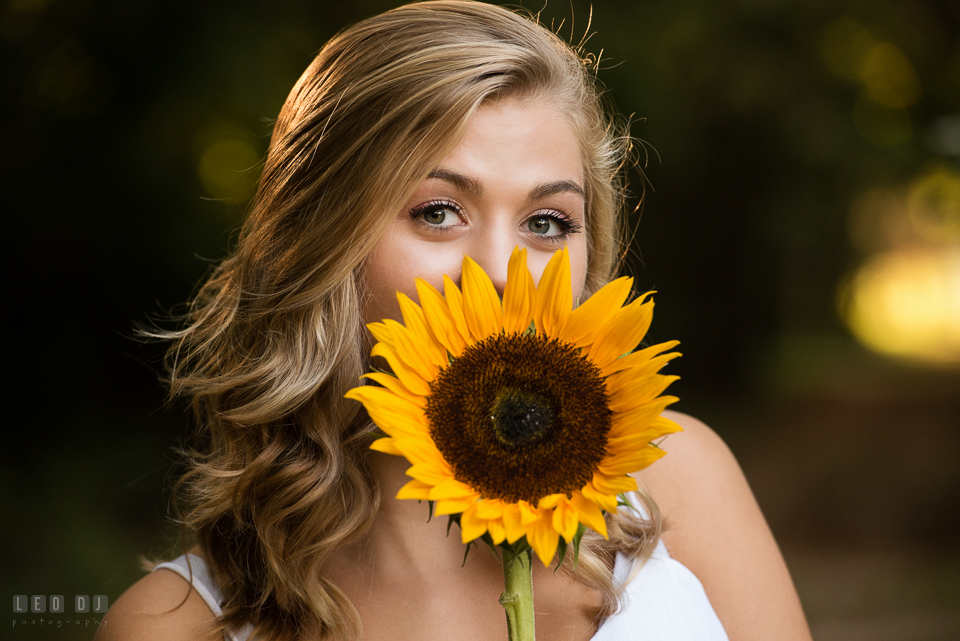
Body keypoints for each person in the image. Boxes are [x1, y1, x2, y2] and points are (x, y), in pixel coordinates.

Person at [97, 2, 812, 640]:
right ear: (320, 241)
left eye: (546, 221)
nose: (500, 271)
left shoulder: (673, 478)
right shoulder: (176, 624)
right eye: (438, 212)